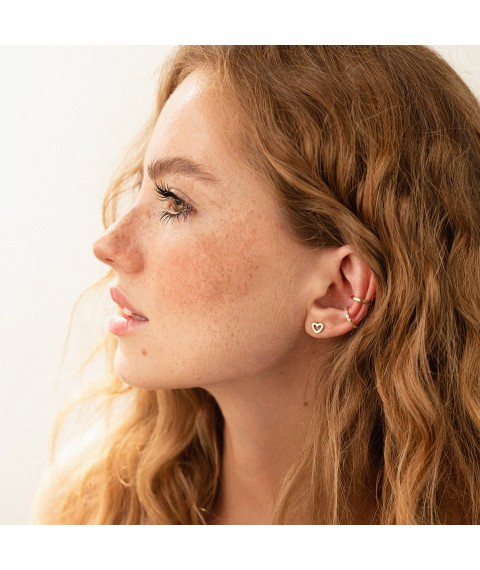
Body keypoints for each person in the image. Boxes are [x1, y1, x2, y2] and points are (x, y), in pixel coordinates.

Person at [33, 46, 480, 524]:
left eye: (175, 201)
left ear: (338, 291)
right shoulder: (89, 511)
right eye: (139, 189)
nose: (108, 245)